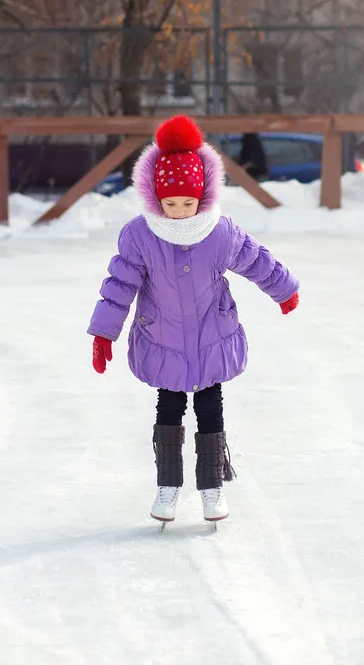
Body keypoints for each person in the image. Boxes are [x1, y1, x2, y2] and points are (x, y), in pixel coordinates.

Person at [87, 115, 300, 524]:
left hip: (210, 337)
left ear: (202, 196)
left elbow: (256, 260)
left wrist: (283, 289)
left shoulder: (220, 232)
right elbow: (120, 284)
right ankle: (167, 486)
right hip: (163, 339)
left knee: (210, 407)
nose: (180, 213)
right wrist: (103, 334)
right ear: (156, 198)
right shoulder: (141, 235)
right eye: (171, 204)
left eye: (188, 203)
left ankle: (212, 487)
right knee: (168, 407)